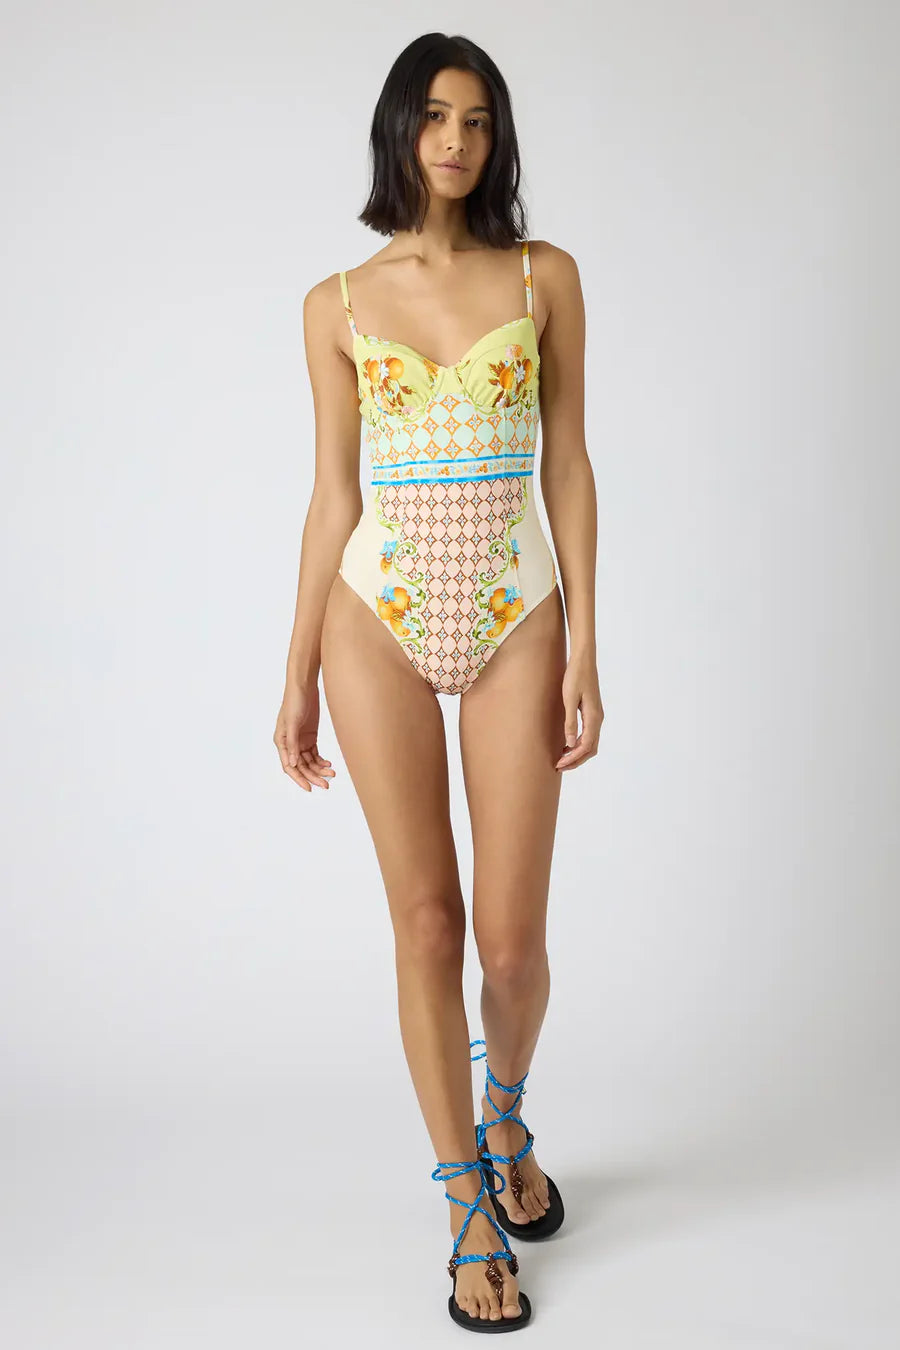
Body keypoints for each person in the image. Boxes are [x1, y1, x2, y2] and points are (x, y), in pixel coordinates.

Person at [273, 32, 603, 1332]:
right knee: (427, 921)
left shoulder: (543, 276)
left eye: (476, 120)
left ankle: (504, 1114)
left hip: (518, 612)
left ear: (495, 137)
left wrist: (588, 643)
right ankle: (468, 1201)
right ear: (399, 130)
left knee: (512, 947)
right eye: (433, 117)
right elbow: (331, 497)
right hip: (375, 618)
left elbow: (568, 463)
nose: (455, 141)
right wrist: (295, 667)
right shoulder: (337, 303)